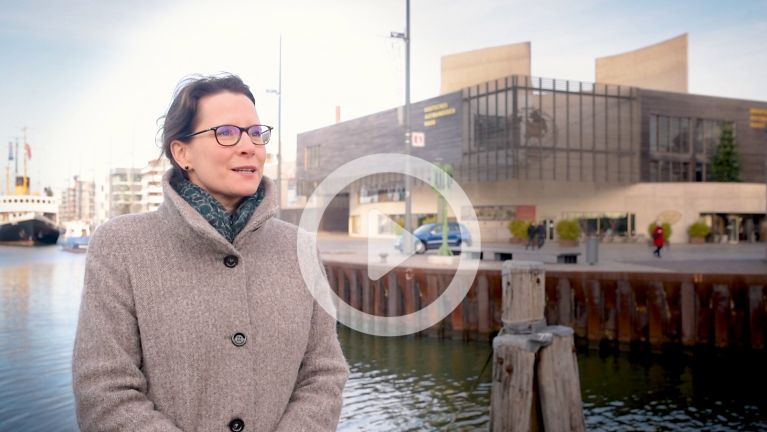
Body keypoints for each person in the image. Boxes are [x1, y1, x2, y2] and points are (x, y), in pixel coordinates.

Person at [73, 74, 349, 432]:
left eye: (255, 132)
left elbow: (324, 372)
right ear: (182, 152)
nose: (249, 146)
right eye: (227, 133)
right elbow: (104, 392)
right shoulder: (121, 246)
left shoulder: (300, 249)